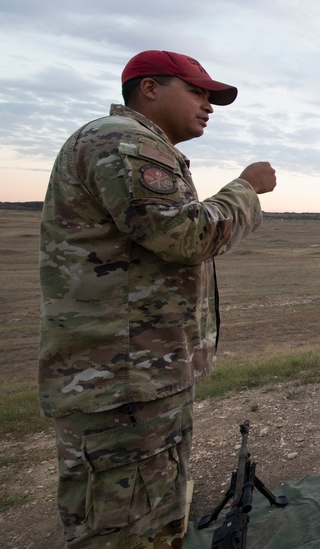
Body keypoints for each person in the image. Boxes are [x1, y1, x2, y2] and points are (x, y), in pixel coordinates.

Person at [38, 50, 277, 548]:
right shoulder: (123, 141)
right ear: (148, 88)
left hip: (135, 377)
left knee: (154, 516)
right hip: (121, 381)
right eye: (196, 92)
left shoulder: (137, 144)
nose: (207, 105)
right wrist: (246, 188)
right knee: (127, 528)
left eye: (210, 97)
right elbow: (186, 237)